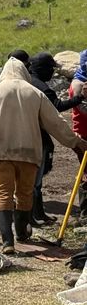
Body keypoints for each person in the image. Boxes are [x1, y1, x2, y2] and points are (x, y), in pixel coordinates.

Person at [0, 58, 87, 254]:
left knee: (3, 194)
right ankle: (22, 233)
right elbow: (56, 123)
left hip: (2, 152)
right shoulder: (35, 93)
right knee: (24, 194)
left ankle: (7, 241)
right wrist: (75, 141)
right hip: (29, 152)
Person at [29, 52, 84, 225]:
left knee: (36, 177)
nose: (53, 73)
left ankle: (38, 214)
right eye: (51, 69)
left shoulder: (31, 82)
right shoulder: (41, 87)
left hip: (37, 133)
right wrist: (81, 97)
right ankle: (32, 217)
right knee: (35, 179)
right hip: (36, 135)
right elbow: (57, 108)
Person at [68, 49, 87, 221]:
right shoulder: (79, 85)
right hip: (83, 135)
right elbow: (83, 110)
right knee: (86, 173)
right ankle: (85, 212)